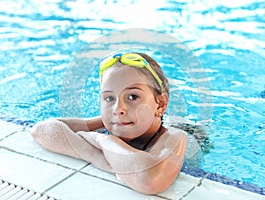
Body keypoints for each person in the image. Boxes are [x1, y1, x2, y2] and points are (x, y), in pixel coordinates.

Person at [31, 52, 202, 194]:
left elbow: (149, 180)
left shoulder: (176, 136)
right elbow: (42, 130)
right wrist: (98, 157)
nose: (117, 108)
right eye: (109, 98)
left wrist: (105, 141)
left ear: (161, 104)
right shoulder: (115, 120)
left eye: (133, 97)